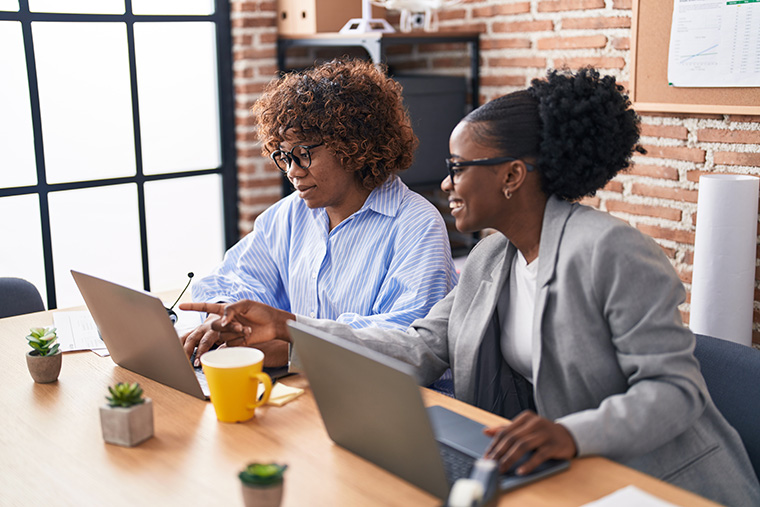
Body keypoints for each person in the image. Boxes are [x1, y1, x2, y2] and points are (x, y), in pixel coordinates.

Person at [181, 68, 760, 505]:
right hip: (565, 469)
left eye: (460, 167)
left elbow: (675, 393)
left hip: (664, 482)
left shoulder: (613, 252)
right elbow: (420, 346)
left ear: (511, 176)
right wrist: (293, 330)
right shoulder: (491, 260)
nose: (447, 181)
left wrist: (567, 434)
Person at [182, 58, 458, 367]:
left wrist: (291, 348)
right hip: (300, 386)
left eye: (303, 155)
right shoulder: (289, 215)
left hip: (377, 393)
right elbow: (233, 277)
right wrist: (228, 317)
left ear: (354, 148)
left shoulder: (417, 225)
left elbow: (404, 341)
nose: (291, 172)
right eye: (283, 156)